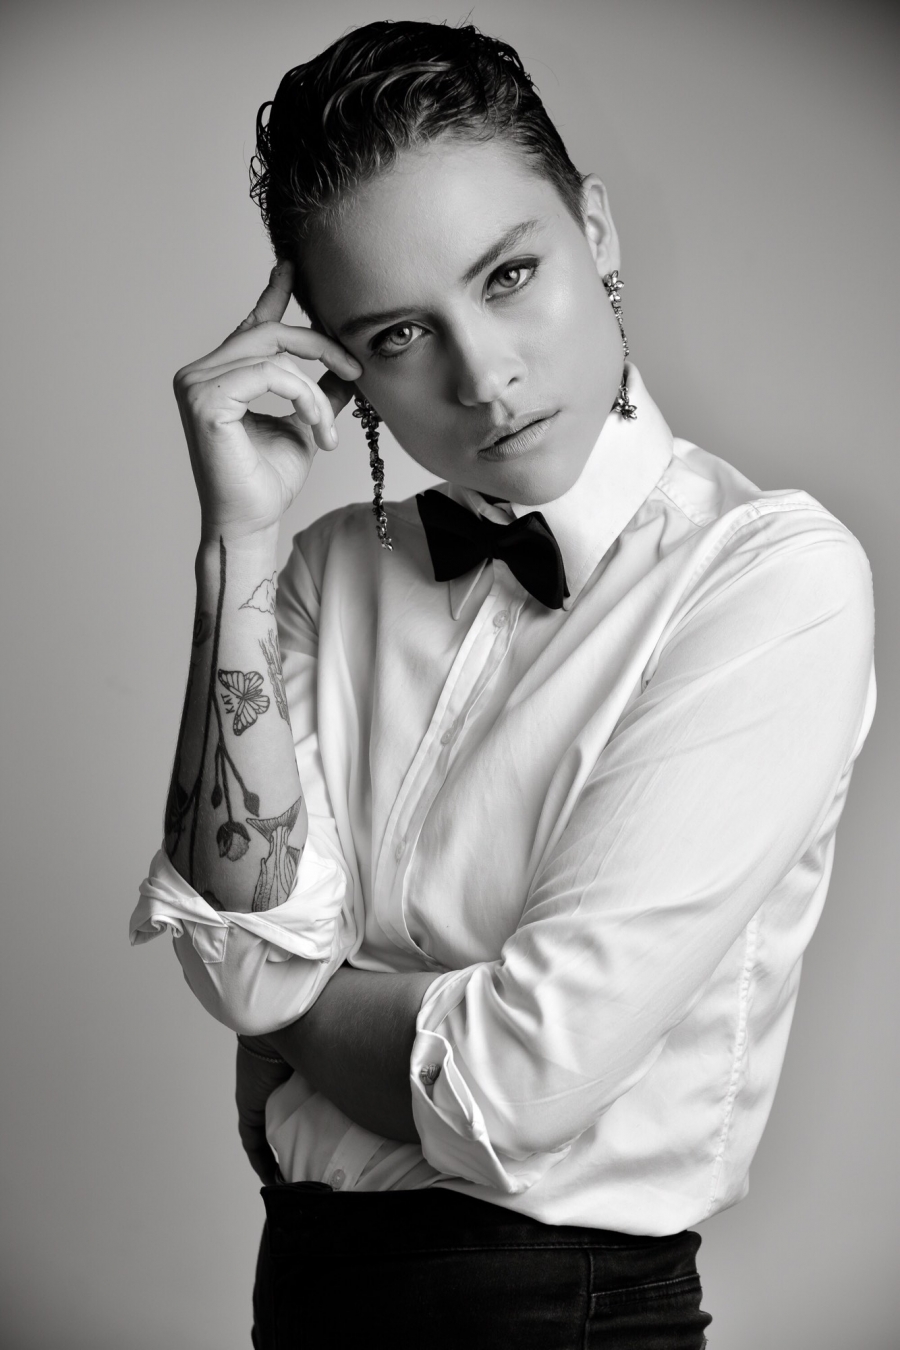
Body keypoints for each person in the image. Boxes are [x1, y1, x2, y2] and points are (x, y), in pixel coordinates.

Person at [130, 19, 876, 1348]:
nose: (484, 376)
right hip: (302, 1292)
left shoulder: (766, 579)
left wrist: (299, 1004)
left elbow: (516, 1082)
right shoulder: (321, 574)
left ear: (598, 232)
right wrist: (237, 542)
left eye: (511, 274)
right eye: (400, 331)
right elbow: (238, 970)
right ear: (343, 370)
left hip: (562, 1313)